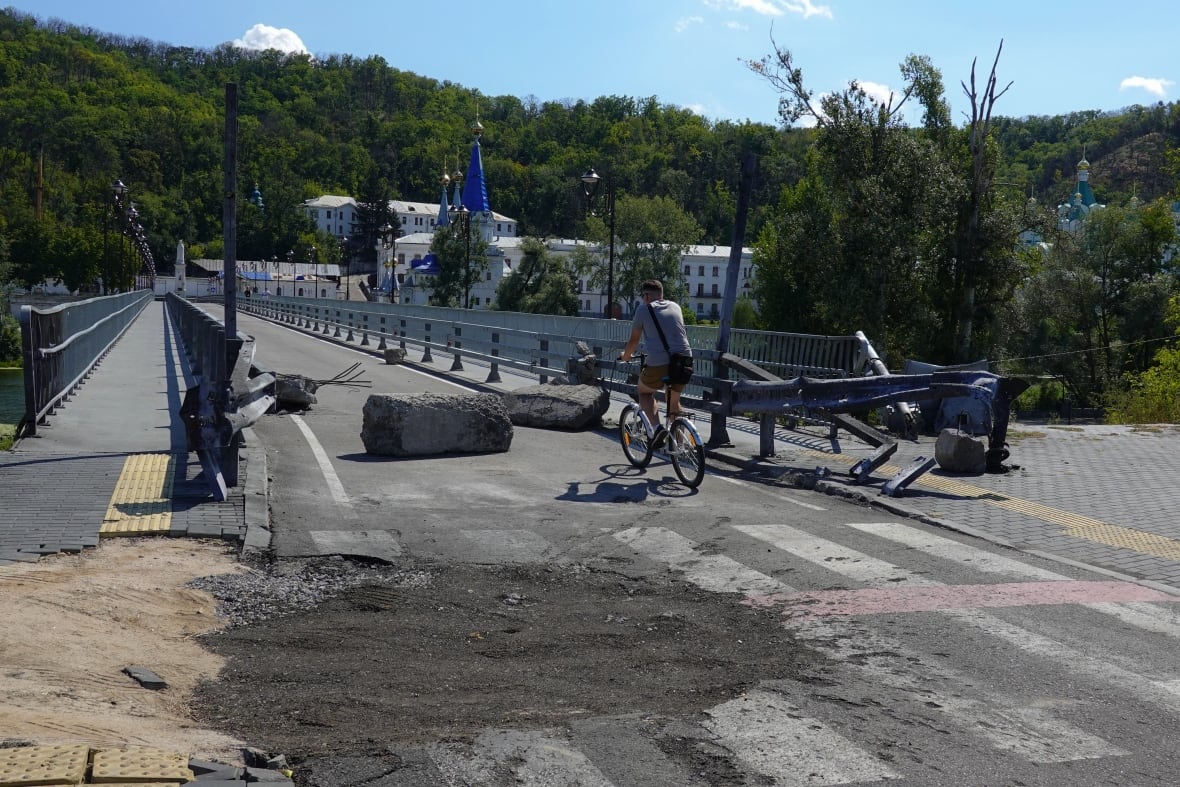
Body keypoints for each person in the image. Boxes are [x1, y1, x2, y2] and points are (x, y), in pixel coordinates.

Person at [619, 279, 692, 447]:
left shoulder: (643, 309)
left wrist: (626, 356)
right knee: (673, 401)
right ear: (662, 294)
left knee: (644, 392)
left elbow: (634, 341)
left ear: (646, 296)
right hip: (684, 360)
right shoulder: (675, 306)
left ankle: (657, 428)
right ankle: (679, 446)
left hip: (659, 363)